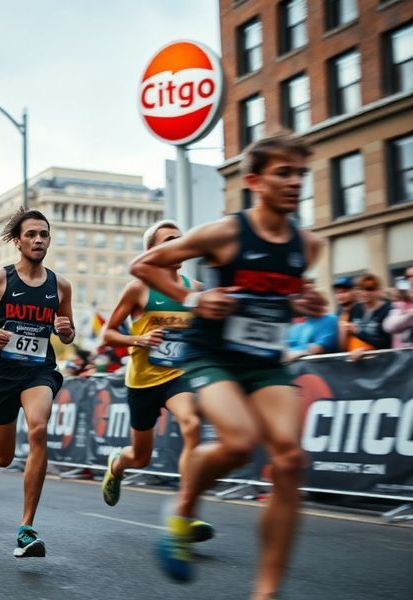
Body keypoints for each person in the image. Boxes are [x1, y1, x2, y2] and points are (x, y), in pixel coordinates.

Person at [130, 134, 327, 599]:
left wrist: (307, 301)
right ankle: (181, 509)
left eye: (301, 173)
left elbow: (289, 294)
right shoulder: (226, 233)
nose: (295, 182)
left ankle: (266, 591)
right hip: (211, 354)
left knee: (291, 460)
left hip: (264, 362)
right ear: (255, 181)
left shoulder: (308, 245)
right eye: (284, 173)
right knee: (238, 442)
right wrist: (195, 297)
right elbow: (145, 264)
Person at [0, 209, 75, 556]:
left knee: (38, 430)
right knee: (4, 456)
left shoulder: (60, 285)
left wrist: (67, 332)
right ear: (17, 241)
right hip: (3, 376)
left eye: (44, 235)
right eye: (32, 235)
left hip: (38, 371)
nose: (39, 240)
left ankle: (26, 528)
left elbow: (67, 334)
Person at [99, 219, 213, 542]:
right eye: (168, 241)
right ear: (152, 251)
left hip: (178, 376)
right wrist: (140, 340)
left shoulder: (196, 289)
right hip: (143, 382)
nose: (176, 245)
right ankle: (117, 466)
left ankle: (185, 516)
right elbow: (107, 333)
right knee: (141, 456)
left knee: (191, 425)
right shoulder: (139, 288)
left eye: (179, 239)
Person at [341, 272, 393, 359]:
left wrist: (359, 333)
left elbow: (386, 342)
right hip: (355, 362)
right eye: (360, 289)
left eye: (369, 289)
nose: (364, 293)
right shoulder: (355, 308)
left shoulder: (387, 310)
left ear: (378, 290)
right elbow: (347, 339)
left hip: (381, 363)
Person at [384, 267, 413, 348]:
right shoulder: (399, 304)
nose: (411, 280)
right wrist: (408, 315)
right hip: (402, 355)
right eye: (408, 276)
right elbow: (388, 327)